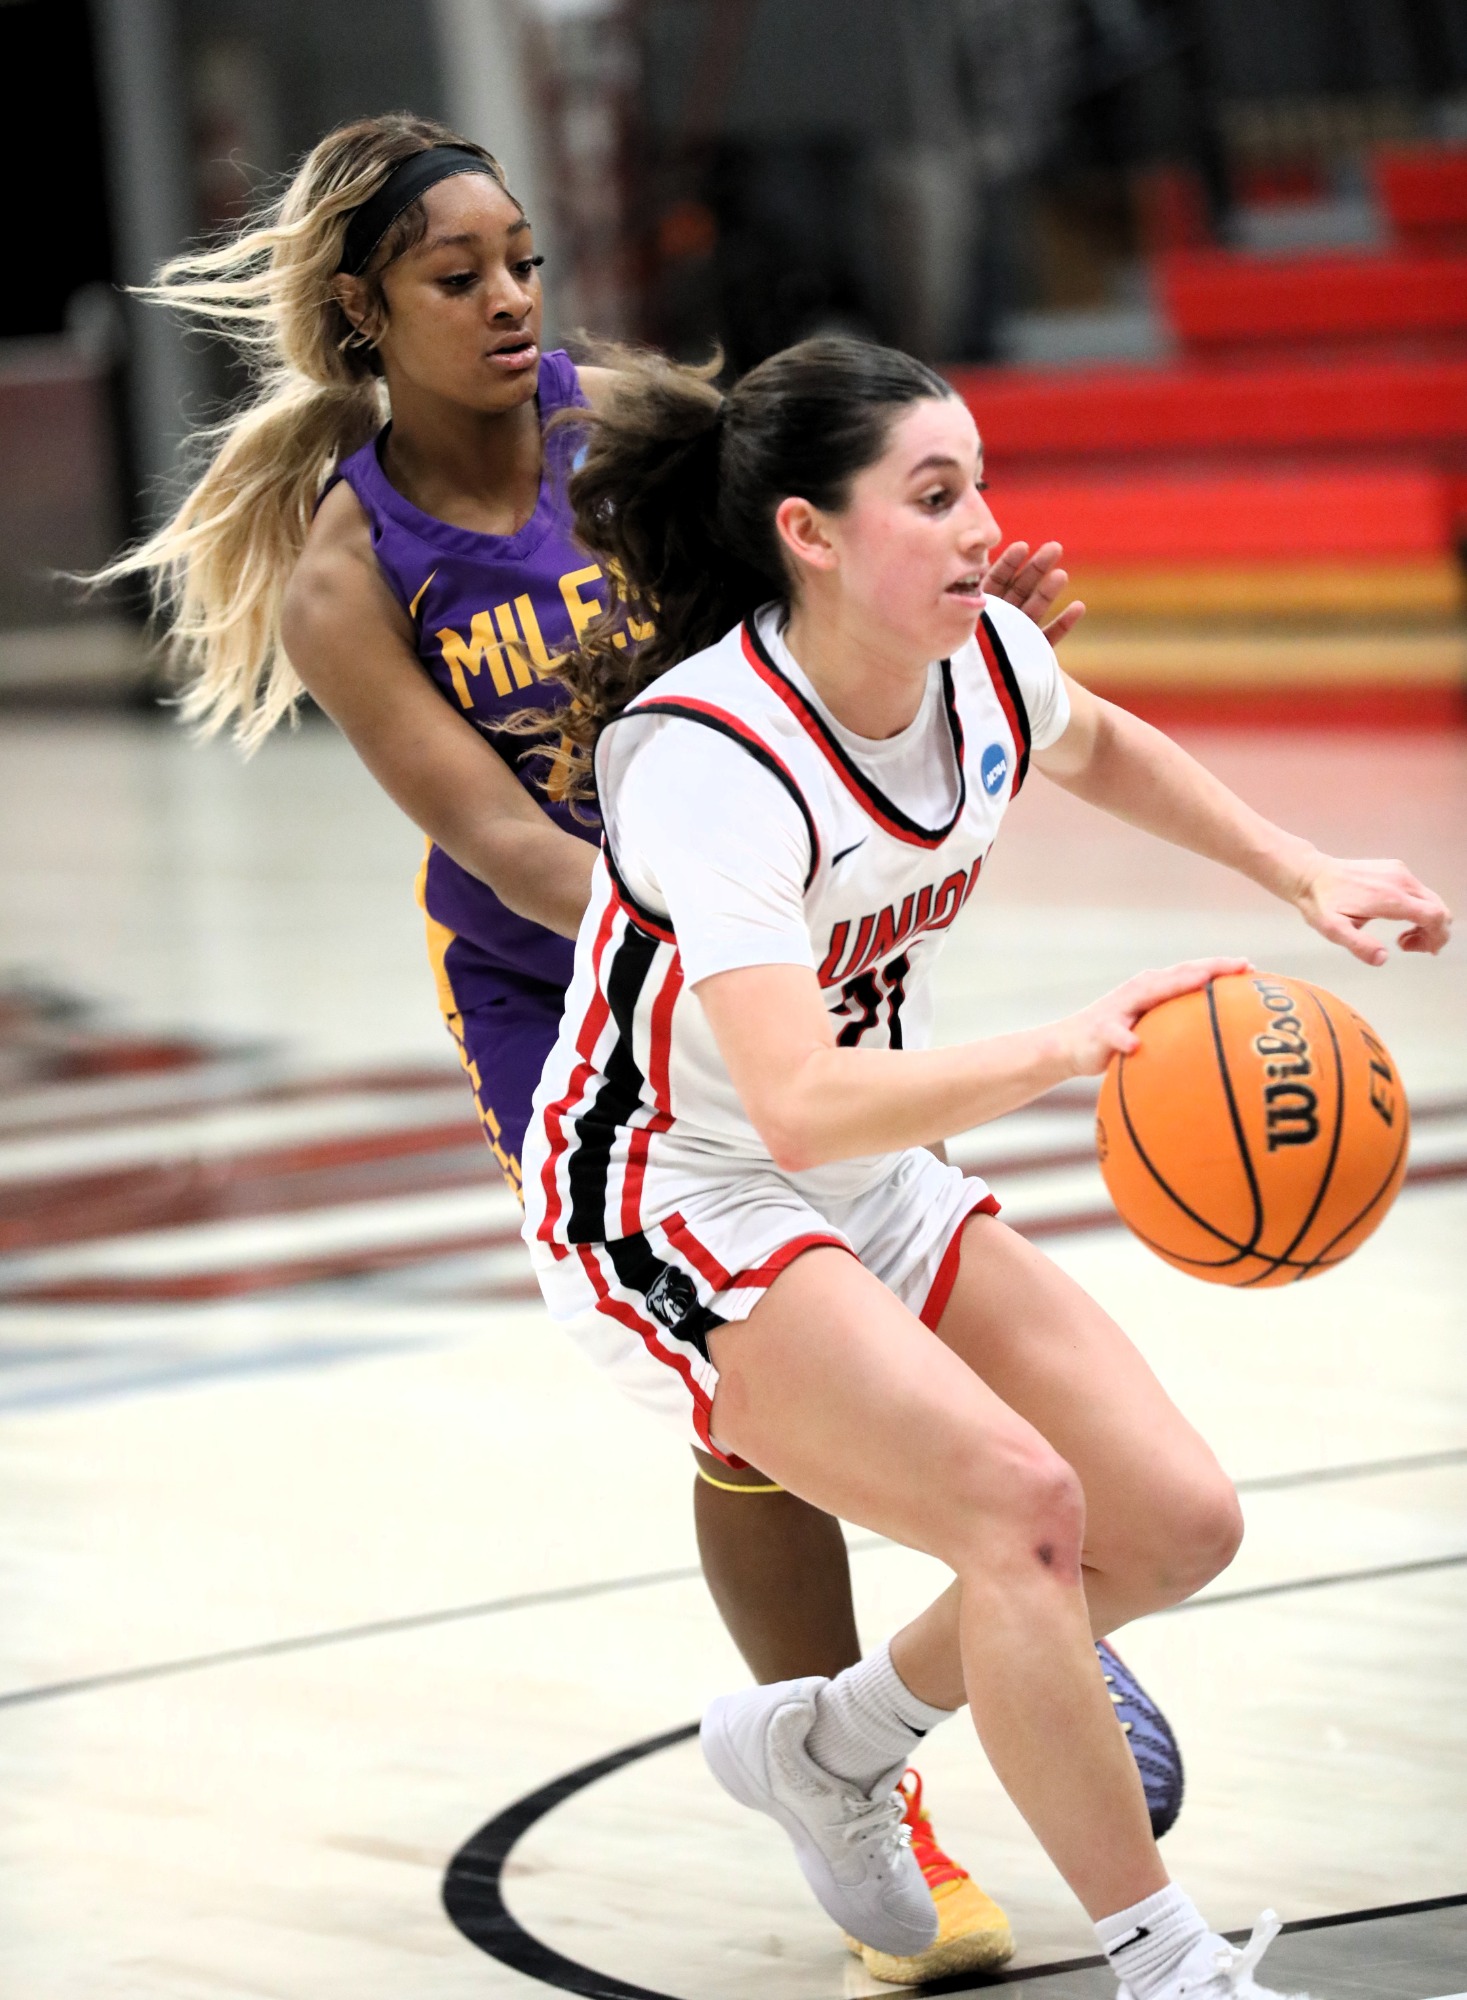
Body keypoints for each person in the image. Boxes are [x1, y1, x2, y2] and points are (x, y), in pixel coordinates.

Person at [93, 113, 1185, 1982]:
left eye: (523, 260)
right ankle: (886, 1783)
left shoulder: (634, 423)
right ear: (363, 310)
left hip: (770, 920)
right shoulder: (349, 574)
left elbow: (824, 587)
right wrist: (739, 927)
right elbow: (508, 844)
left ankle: (995, 1617)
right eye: (460, 276)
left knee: (886, 1264)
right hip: (565, 990)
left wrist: (946, 638)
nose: (513, 298)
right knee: (747, 1386)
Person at [517, 333, 1452, 1997]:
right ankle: (1170, 1966)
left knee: (1171, 1526)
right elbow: (794, 1102)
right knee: (1022, 1511)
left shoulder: (984, 661)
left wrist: (1298, 869)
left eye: (982, 486)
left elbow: (1097, 742)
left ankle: (833, 1744)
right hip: (672, 1191)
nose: (983, 529)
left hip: (863, 1170)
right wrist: (1063, 1046)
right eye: (935, 495)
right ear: (809, 533)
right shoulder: (715, 758)